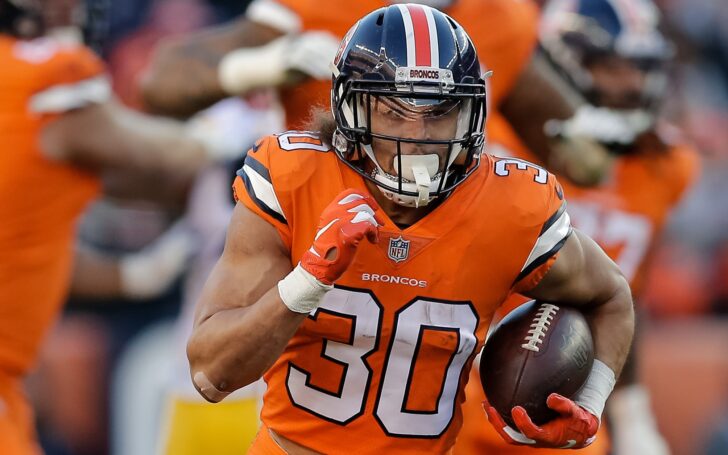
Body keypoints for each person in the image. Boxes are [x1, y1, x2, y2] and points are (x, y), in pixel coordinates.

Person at [187, 6, 634, 454]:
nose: (417, 135)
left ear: (471, 116)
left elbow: (612, 294)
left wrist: (591, 402)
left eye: (440, 111)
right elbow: (211, 374)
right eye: (393, 111)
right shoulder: (295, 179)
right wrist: (308, 280)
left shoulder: (511, 206)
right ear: (352, 108)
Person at [454, 1, 700, 454]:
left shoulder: (663, 166)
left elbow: (628, 293)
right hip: (466, 384)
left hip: (571, 395)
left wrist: (632, 412)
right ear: (559, 64)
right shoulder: (496, 147)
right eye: (611, 67)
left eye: (640, 68)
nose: (632, 84)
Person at [0, 1, 233, 452]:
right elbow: (156, 157)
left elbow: (24, 242)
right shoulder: (49, 76)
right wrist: (223, 135)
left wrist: (134, 275)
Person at [141, 0, 641, 187]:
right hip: (318, 239)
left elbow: (580, 156)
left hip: (437, 257)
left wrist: (600, 138)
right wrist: (266, 63)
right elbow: (160, 84)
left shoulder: (500, 17)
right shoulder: (324, 8)